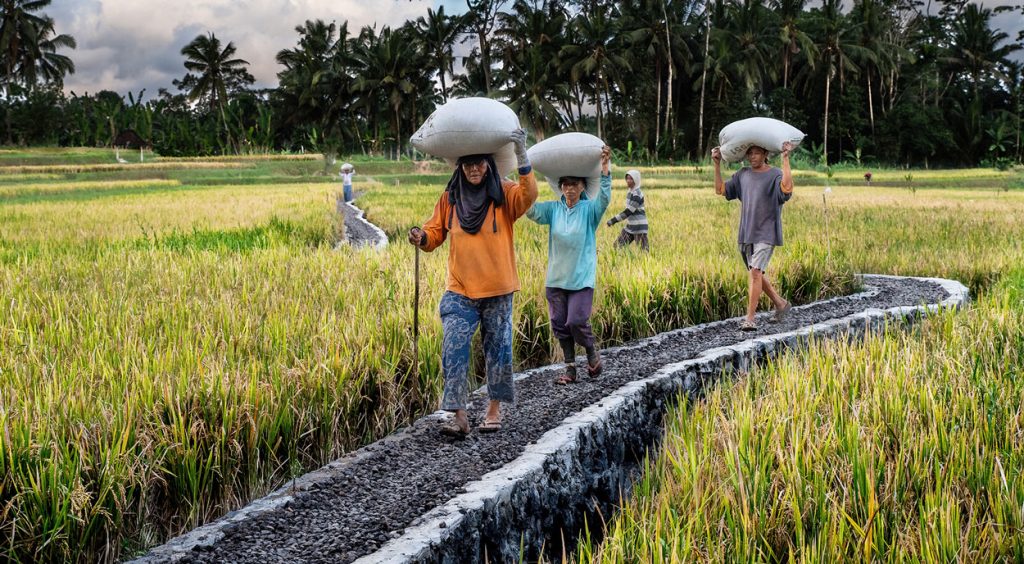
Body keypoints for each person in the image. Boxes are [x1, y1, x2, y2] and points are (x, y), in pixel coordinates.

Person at [408, 129, 538, 437]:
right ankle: (459, 414)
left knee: (498, 349)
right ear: (460, 168)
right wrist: (422, 236)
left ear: (489, 164)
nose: (474, 169)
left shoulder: (505, 194)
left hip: (498, 289)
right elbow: (434, 232)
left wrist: (522, 153)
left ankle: (494, 409)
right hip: (460, 289)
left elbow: (529, 195)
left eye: (479, 163)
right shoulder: (450, 199)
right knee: (453, 346)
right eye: (468, 165)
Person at [526, 146, 612, 384]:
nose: (569, 189)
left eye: (574, 184)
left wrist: (605, 169)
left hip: (581, 278)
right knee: (559, 325)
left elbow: (604, 199)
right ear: (560, 187)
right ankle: (570, 369)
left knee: (575, 321)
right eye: (565, 185)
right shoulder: (553, 209)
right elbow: (531, 211)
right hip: (556, 279)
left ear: (582, 186)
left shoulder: (589, 210)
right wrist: (524, 179)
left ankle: (592, 351)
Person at [712, 142, 795, 331]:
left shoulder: (774, 174)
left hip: (767, 231)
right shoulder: (743, 175)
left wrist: (785, 158)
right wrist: (717, 164)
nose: (752, 157)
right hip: (747, 232)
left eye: (756, 153)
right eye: (749, 153)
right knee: (755, 273)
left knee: (755, 272)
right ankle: (781, 304)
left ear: (765, 153)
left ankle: (750, 319)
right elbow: (720, 190)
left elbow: (787, 189)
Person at [606, 169, 648, 251]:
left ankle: (644, 263)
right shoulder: (630, 192)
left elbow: (629, 211)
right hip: (631, 225)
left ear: (636, 180)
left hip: (639, 226)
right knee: (617, 246)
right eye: (627, 178)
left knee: (644, 252)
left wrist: (613, 220)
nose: (628, 181)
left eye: (631, 179)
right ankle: (624, 261)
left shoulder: (637, 193)